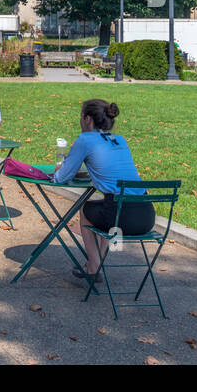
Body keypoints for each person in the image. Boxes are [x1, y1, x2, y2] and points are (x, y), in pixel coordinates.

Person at [53, 99, 154, 281]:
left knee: (87, 212)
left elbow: (61, 178)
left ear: (88, 119)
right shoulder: (119, 140)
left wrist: (60, 167)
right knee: (104, 207)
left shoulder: (85, 139)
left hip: (120, 218)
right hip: (146, 216)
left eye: (81, 117)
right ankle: (97, 261)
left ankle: (93, 266)